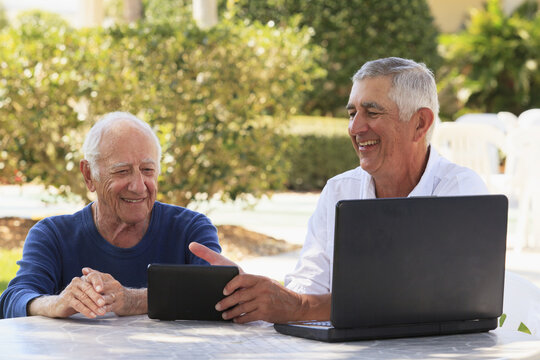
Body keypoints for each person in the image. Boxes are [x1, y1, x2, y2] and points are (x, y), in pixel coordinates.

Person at [189, 57, 489, 324]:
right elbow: (309, 285)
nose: (355, 128)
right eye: (351, 113)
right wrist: (253, 291)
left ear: (420, 123)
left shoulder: (460, 190)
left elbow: (429, 300)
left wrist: (300, 306)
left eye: (371, 113)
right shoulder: (339, 190)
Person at [0, 112, 221, 319]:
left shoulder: (191, 229)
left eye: (147, 170)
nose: (138, 186)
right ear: (89, 175)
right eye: (122, 171)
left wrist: (131, 300)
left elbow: (216, 294)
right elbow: (13, 300)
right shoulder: (52, 235)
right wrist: (56, 303)